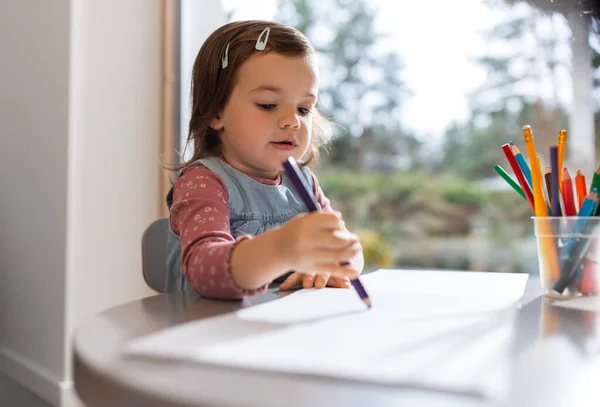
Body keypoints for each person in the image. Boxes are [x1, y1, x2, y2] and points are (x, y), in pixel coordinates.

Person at [165, 20, 364, 299]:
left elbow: (347, 249)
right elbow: (203, 268)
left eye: (304, 109)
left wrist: (336, 266)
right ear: (214, 112)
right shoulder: (203, 182)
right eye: (268, 105)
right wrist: (279, 249)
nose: (292, 121)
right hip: (206, 334)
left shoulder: (305, 183)